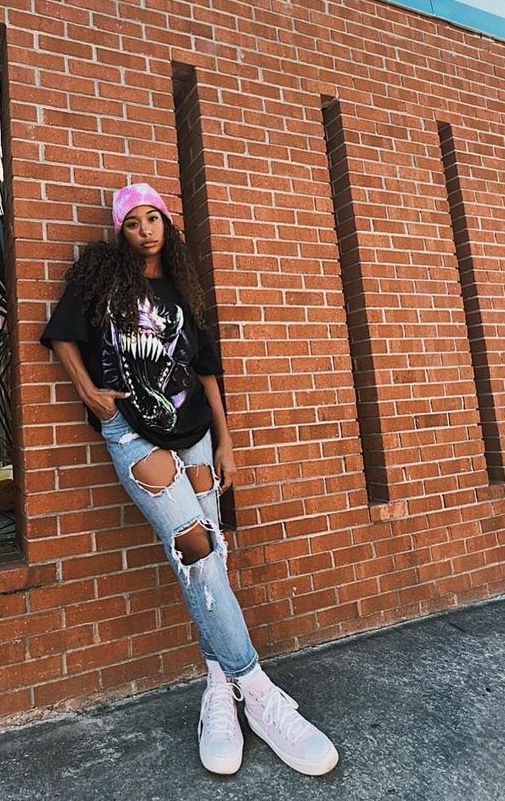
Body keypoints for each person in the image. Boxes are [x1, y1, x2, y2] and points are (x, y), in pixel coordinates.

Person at [41, 182, 338, 777]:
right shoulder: (101, 281)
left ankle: (218, 690)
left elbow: (204, 370)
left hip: (197, 431)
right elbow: (61, 334)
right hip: (132, 432)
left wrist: (226, 441)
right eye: (132, 223)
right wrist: (89, 392)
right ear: (121, 232)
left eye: (153, 219)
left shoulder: (182, 289)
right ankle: (258, 691)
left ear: (167, 225)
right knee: (195, 547)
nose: (145, 231)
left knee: (212, 555)